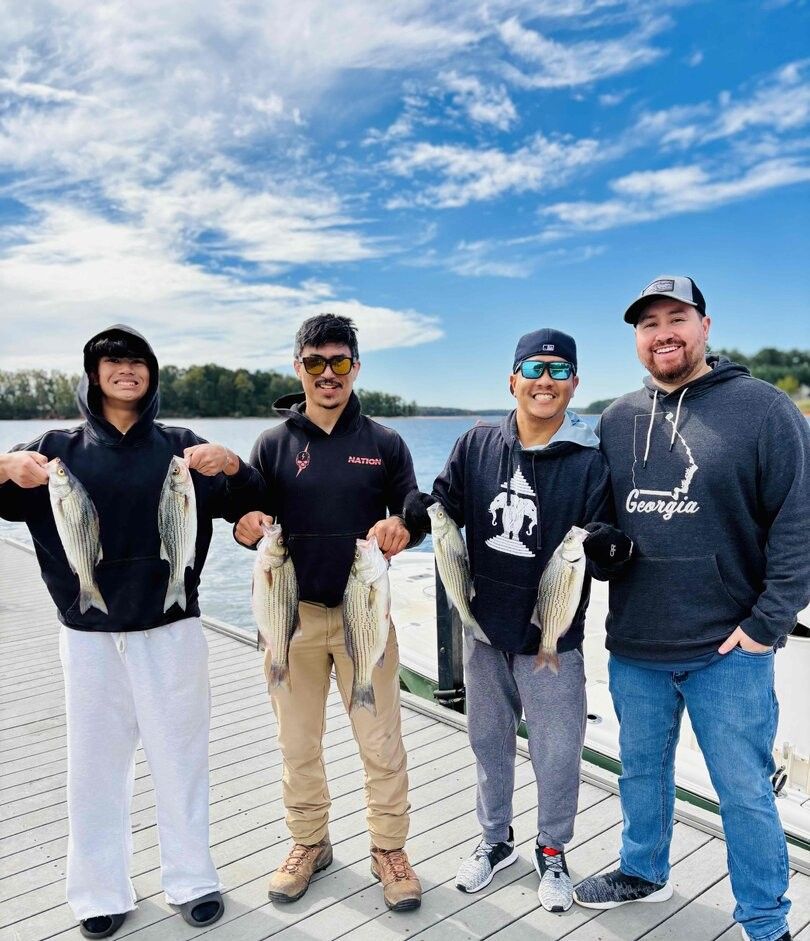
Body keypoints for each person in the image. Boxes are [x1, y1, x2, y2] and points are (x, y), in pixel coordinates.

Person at [0, 326, 264, 940]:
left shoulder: (181, 448)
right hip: (88, 635)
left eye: (137, 361)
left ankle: (193, 879)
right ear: (93, 376)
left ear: (152, 374)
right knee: (94, 766)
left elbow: (253, 500)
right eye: (112, 361)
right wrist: (6, 465)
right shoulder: (51, 449)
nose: (126, 370)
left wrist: (231, 463)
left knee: (182, 759)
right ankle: (98, 891)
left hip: (172, 628)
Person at [573, 276, 810, 941]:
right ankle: (643, 870)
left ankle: (765, 919)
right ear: (637, 340)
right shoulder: (618, 418)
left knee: (744, 793)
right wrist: (602, 545)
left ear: (706, 325)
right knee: (641, 771)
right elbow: (600, 519)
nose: (663, 333)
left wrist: (767, 625)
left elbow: (800, 521)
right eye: (649, 324)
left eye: (677, 318)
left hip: (727, 649)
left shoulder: (764, 409)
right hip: (637, 644)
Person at [404, 328, 633, 913]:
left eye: (560, 372)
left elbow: (602, 543)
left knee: (558, 752)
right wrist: (414, 512)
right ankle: (494, 840)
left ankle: (552, 851)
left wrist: (608, 546)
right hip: (483, 633)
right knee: (488, 745)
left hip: (552, 639)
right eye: (533, 369)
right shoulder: (475, 443)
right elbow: (443, 503)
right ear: (512, 379)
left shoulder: (590, 463)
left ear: (575, 385)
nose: (545, 382)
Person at [234, 313, 423, 912]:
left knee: (382, 743)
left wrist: (404, 525)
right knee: (298, 742)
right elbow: (252, 517)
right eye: (315, 364)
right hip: (291, 619)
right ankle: (309, 843)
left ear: (355, 367)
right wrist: (244, 527)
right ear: (299, 369)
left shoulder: (384, 442)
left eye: (339, 362)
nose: (327, 375)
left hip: (364, 616)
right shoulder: (273, 443)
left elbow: (414, 506)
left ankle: (389, 850)